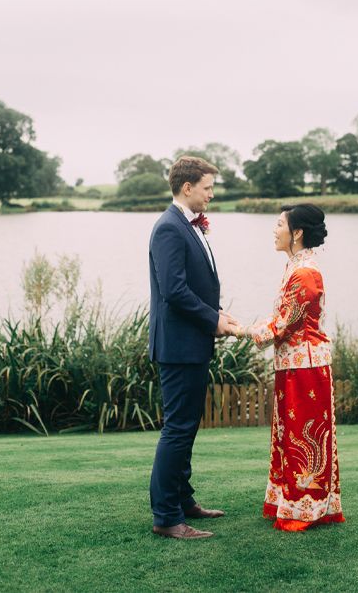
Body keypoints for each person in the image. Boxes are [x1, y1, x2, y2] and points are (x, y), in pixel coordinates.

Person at [231, 204, 344, 531]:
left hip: (305, 367)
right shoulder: (297, 267)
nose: (274, 229)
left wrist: (238, 329)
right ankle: (299, 503)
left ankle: (304, 509)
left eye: (279, 224)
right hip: (296, 365)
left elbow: (284, 324)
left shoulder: (304, 273)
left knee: (302, 437)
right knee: (291, 434)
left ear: (297, 233)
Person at [147, 156, 238, 539]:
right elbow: (174, 290)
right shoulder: (169, 228)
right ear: (187, 188)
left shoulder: (188, 226)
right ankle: (167, 517)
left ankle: (184, 501)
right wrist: (213, 320)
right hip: (179, 346)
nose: (211, 194)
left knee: (186, 427)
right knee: (178, 429)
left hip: (192, 342)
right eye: (207, 187)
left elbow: (195, 286)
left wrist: (216, 314)